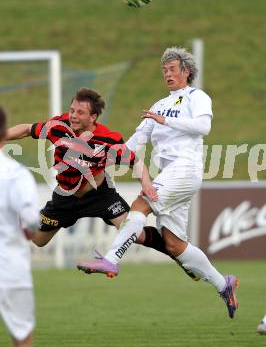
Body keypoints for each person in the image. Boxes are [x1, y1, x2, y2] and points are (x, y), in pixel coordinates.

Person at [78, 47, 240, 319]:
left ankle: (111, 259)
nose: (167, 74)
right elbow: (133, 144)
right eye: (164, 70)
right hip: (170, 173)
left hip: (185, 169)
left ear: (186, 71)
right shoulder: (157, 106)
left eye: (172, 69)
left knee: (140, 205)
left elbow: (203, 127)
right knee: (174, 245)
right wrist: (100, 158)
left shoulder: (196, 96)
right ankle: (224, 284)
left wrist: (165, 120)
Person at [5, 87, 179, 275]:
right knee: (38, 240)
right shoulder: (58, 126)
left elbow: (135, 162)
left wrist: (146, 184)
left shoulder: (108, 139)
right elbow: (26, 129)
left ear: (93, 117)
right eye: (72, 110)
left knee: (135, 233)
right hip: (65, 197)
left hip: (100, 195)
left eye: (80, 112)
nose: (73, 115)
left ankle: (177, 251)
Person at [0, 107, 40, 347]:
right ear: (5, 133)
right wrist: (29, 230)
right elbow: (30, 219)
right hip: (9, 266)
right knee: (22, 340)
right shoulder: (15, 173)